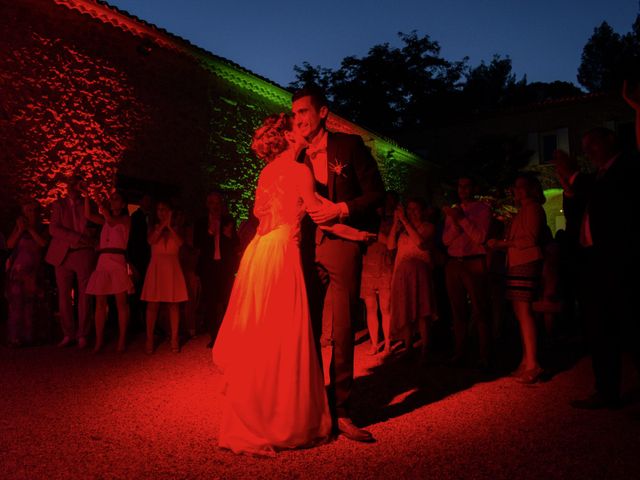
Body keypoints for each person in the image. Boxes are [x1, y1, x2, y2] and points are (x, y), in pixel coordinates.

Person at [212, 113, 334, 456]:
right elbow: (313, 209)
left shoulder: (266, 173)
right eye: (296, 129)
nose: (302, 133)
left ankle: (256, 409)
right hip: (282, 250)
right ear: (287, 137)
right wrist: (343, 217)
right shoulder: (299, 171)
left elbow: (260, 212)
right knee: (283, 329)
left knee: (260, 328)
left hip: (259, 251)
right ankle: (283, 417)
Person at [292, 85, 384, 443]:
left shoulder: (349, 147)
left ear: (323, 112)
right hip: (302, 248)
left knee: (343, 330)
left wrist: (342, 208)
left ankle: (342, 409)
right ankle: (314, 405)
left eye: (304, 112)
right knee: (305, 327)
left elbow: (377, 193)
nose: (298, 119)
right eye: (295, 113)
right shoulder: (293, 154)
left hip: (342, 244)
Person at [554, 81, 640, 408]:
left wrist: (573, 175)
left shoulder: (625, 168)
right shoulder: (600, 177)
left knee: (631, 329)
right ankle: (606, 392)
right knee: (599, 332)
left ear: (611, 140)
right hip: (594, 265)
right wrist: (569, 183)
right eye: (585, 145)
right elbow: (581, 209)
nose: (588, 149)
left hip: (619, 263)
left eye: (593, 143)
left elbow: (608, 198)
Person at [488, 173, 548, 384]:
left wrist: (502, 244)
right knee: (520, 312)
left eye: (522, 187)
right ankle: (527, 360)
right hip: (517, 263)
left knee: (524, 312)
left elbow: (529, 239)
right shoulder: (523, 211)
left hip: (526, 263)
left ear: (531, 189)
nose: (517, 190)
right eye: (516, 186)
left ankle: (533, 363)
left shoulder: (532, 209)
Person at [441, 177, 492, 368]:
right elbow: (446, 240)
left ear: (474, 188)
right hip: (454, 263)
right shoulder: (453, 211)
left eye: (467, 186)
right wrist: (456, 221)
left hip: (474, 262)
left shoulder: (483, 209)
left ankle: (485, 355)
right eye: (460, 186)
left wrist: (460, 219)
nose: (463, 189)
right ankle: (460, 352)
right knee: (457, 310)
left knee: (480, 310)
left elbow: (479, 237)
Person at [45, 174, 96, 349]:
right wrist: (75, 237)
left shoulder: (89, 204)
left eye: (75, 183)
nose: (72, 186)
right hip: (63, 254)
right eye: (70, 184)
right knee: (64, 295)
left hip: (83, 252)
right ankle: (68, 333)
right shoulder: (59, 205)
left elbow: (94, 225)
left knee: (85, 295)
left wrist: (87, 194)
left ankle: (83, 334)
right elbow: (53, 229)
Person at [387, 198, 437, 363]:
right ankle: (408, 347)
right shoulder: (402, 230)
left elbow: (421, 243)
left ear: (422, 210)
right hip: (403, 274)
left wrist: (405, 221)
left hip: (420, 272)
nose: (412, 212)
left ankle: (426, 347)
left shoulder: (428, 227)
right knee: (405, 309)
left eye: (415, 209)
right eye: (409, 209)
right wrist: (396, 223)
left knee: (423, 310)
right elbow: (390, 246)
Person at [84, 190, 132, 353]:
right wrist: (87, 196)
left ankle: (122, 339)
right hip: (103, 261)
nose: (112, 201)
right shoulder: (105, 220)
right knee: (100, 303)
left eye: (116, 198)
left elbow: (112, 222)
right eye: (111, 199)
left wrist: (100, 203)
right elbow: (88, 215)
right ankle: (99, 341)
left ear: (123, 204)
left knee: (121, 303)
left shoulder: (126, 220)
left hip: (117, 261)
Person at [141, 200, 188, 354]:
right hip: (156, 267)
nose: (161, 212)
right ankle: (149, 338)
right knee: (152, 305)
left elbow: (180, 243)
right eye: (159, 210)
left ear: (170, 211)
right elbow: (150, 241)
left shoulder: (178, 228)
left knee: (173, 305)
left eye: (165, 209)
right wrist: (162, 226)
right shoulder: (153, 227)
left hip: (172, 267)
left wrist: (169, 227)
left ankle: (174, 338)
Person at [193, 191, 239, 348]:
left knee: (227, 301)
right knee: (210, 303)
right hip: (208, 268)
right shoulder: (200, 223)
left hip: (225, 267)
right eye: (212, 203)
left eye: (218, 202)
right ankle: (214, 336)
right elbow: (196, 244)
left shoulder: (229, 220)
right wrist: (210, 233)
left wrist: (228, 236)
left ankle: (228, 335)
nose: (215, 206)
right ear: (207, 205)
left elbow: (236, 245)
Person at [6, 199, 48, 347]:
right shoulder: (18, 228)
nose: (32, 213)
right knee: (16, 305)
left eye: (34, 210)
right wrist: (20, 230)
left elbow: (42, 243)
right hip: (18, 272)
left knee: (33, 304)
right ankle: (15, 337)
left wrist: (30, 229)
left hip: (34, 272)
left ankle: (31, 336)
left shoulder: (43, 228)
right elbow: (10, 244)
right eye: (28, 210)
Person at [360, 192, 397, 356]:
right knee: (371, 307)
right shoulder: (368, 223)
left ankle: (388, 343)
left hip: (385, 267)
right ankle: (375, 344)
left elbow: (390, 243)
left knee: (385, 307)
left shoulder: (393, 222)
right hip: (368, 268)